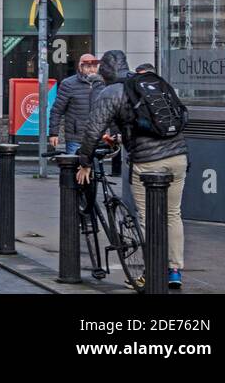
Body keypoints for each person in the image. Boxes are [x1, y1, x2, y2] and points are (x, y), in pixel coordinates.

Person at [76, 50, 189, 290]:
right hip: (178, 154)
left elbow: (92, 129)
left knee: (148, 217)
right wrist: (120, 136)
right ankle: (174, 270)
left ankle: (152, 273)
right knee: (172, 214)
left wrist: (84, 160)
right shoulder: (148, 83)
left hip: (148, 162)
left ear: (105, 72)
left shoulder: (112, 92)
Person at [49, 53, 104, 154]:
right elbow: (57, 110)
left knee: (95, 167)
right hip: (76, 137)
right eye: (88, 66)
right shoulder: (69, 84)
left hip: (98, 136)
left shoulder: (102, 84)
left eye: (94, 66)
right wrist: (54, 133)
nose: (92, 70)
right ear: (80, 67)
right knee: (74, 167)